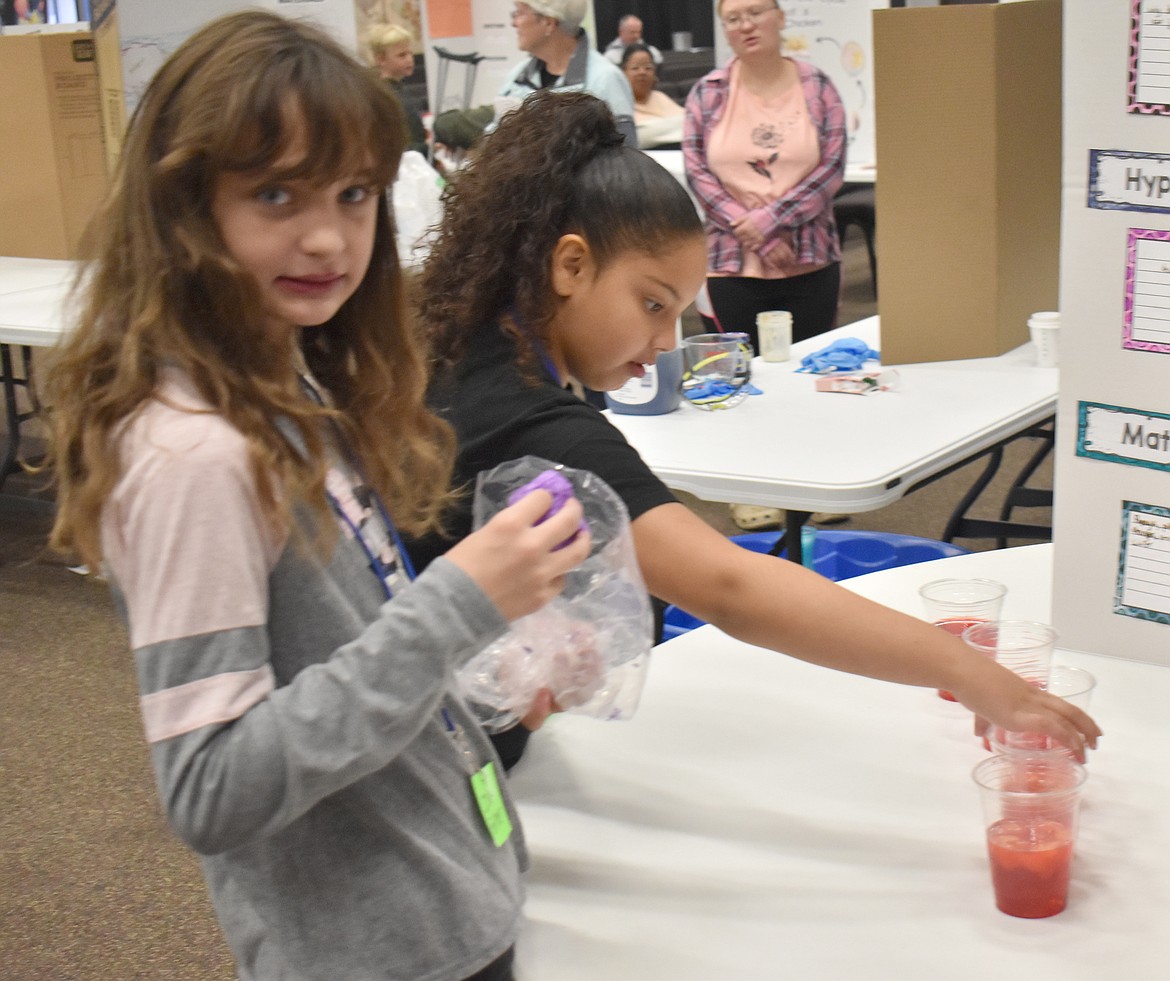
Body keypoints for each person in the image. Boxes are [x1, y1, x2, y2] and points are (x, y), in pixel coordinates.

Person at [43, 12, 591, 980]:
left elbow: (334, 653)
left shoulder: (281, 381)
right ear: (183, 206)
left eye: (353, 193)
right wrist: (458, 603)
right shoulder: (198, 455)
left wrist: (486, 672)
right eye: (275, 193)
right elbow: (211, 787)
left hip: (432, 910)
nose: (329, 237)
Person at [408, 89, 1101, 773]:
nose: (660, 344)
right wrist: (970, 669)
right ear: (570, 265)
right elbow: (730, 588)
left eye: (676, 314)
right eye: (651, 304)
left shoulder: (448, 350)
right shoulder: (537, 423)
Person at [684, 0, 844, 353]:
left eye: (756, 13)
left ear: (781, 17)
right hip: (730, 267)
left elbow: (831, 169)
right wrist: (762, 238)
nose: (746, 26)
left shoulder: (818, 87)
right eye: (733, 19)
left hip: (810, 260)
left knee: (810, 377)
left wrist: (770, 220)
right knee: (737, 382)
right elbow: (698, 175)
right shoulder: (708, 92)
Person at [496, 0, 638, 147]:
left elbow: (625, 155)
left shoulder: (606, 79)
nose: (514, 23)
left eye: (519, 13)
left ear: (549, 22)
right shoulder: (516, 77)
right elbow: (495, 141)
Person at [366, 22, 428, 157]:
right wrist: (426, 148)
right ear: (381, 59)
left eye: (410, 53)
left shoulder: (397, 91)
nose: (410, 59)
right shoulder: (385, 98)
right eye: (402, 55)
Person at [621, 42, 684, 150]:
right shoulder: (619, 106)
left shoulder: (660, 96)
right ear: (623, 73)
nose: (642, 72)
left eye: (648, 68)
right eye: (635, 68)